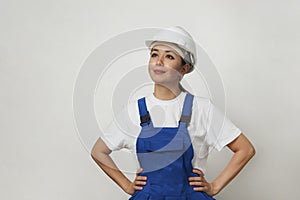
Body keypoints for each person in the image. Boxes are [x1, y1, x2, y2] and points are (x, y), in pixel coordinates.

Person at [91, 26, 255, 199]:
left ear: (184, 68)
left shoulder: (201, 108)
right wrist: (127, 185)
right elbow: (98, 151)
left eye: (169, 56)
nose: (159, 61)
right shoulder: (132, 111)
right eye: (154, 54)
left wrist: (214, 186)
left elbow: (245, 149)